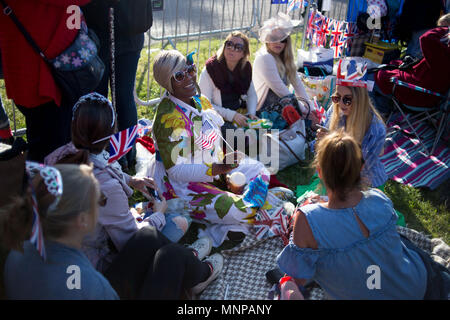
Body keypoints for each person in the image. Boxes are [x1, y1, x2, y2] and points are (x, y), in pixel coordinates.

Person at [45, 92, 222, 299]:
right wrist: (158, 213)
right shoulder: (105, 187)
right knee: (174, 226)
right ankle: (195, 270)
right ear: (112, 131)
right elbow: (130, 241)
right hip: (96, 276)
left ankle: (189, 260)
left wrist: (130, 180)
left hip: (67, 270)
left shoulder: (57, 157)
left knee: (163, 234)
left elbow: (101, 166)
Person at [276, 131, 429, 299]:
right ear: (361, 168)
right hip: (413, 287)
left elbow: (299, 275)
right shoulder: (380, 200)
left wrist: (287, 284)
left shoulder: (307, 218)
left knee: (287, 286)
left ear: (319, 172)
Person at [151, 49, 272, 247]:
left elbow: (213, 137)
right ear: (167, 82)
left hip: (215, 169)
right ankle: (219, 228)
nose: (189, 77)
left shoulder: (200, 100)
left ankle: (229, 218)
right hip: (181, 186)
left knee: (260, 169)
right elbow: (176, 171)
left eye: (190, 69)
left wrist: (224, 166)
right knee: (241, 210)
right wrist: (218, 168)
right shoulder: (168, 119)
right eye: (179, 76)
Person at [2, 163, 119, 300]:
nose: (99, 208)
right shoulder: (95, 288)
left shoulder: (17, 251)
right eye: (99, 200)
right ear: (82, 219)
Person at [0, 0, 90, 162]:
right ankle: (46, 184)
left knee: (45, 141)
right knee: (53, 152)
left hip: (34, 71)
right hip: (44, 76)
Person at [82, 0, 151, 172]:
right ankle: (103, 152)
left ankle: (125, 154)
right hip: (104, 34)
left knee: (119, 96)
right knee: (102, 98)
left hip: (119, 32)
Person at [317, 58, 387, 188]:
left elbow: (364, 167)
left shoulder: (376, 129)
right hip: (337, 171)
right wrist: (323, 140)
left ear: (360, 100)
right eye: (337, 97)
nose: (341, 104)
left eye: (347, 100)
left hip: (363, 179)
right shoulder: (336, 109)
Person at [253, 13, 317, 123]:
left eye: (282, 39)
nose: (278, 43)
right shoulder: (265, 58)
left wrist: (311, 109)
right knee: (307, 124)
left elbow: (298, 85)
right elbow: (282, 91)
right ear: (267, 40)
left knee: (311, 121)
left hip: (282, 110)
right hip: (264, 114)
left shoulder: (285, 59)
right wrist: (304, 111)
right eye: (273, 38)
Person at [374, 26, 450, 110]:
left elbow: (426, 38)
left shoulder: (444, 54)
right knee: (393, 65)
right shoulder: (444, 53)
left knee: (376, 76)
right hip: (431, 95)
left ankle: (382, 110)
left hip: (420, 95)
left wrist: (446, 28)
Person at [199, 31, 258, 135]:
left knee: (266, 130)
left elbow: (252, 94)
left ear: (244, 53)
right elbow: (204, 104)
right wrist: (232, 115)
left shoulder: (245, 68)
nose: (231, 48)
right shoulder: (211, 69)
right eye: (229, 44)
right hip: (217, 118)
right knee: (241, 139)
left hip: (239, 112)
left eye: (238, 47)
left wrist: (251, 114)